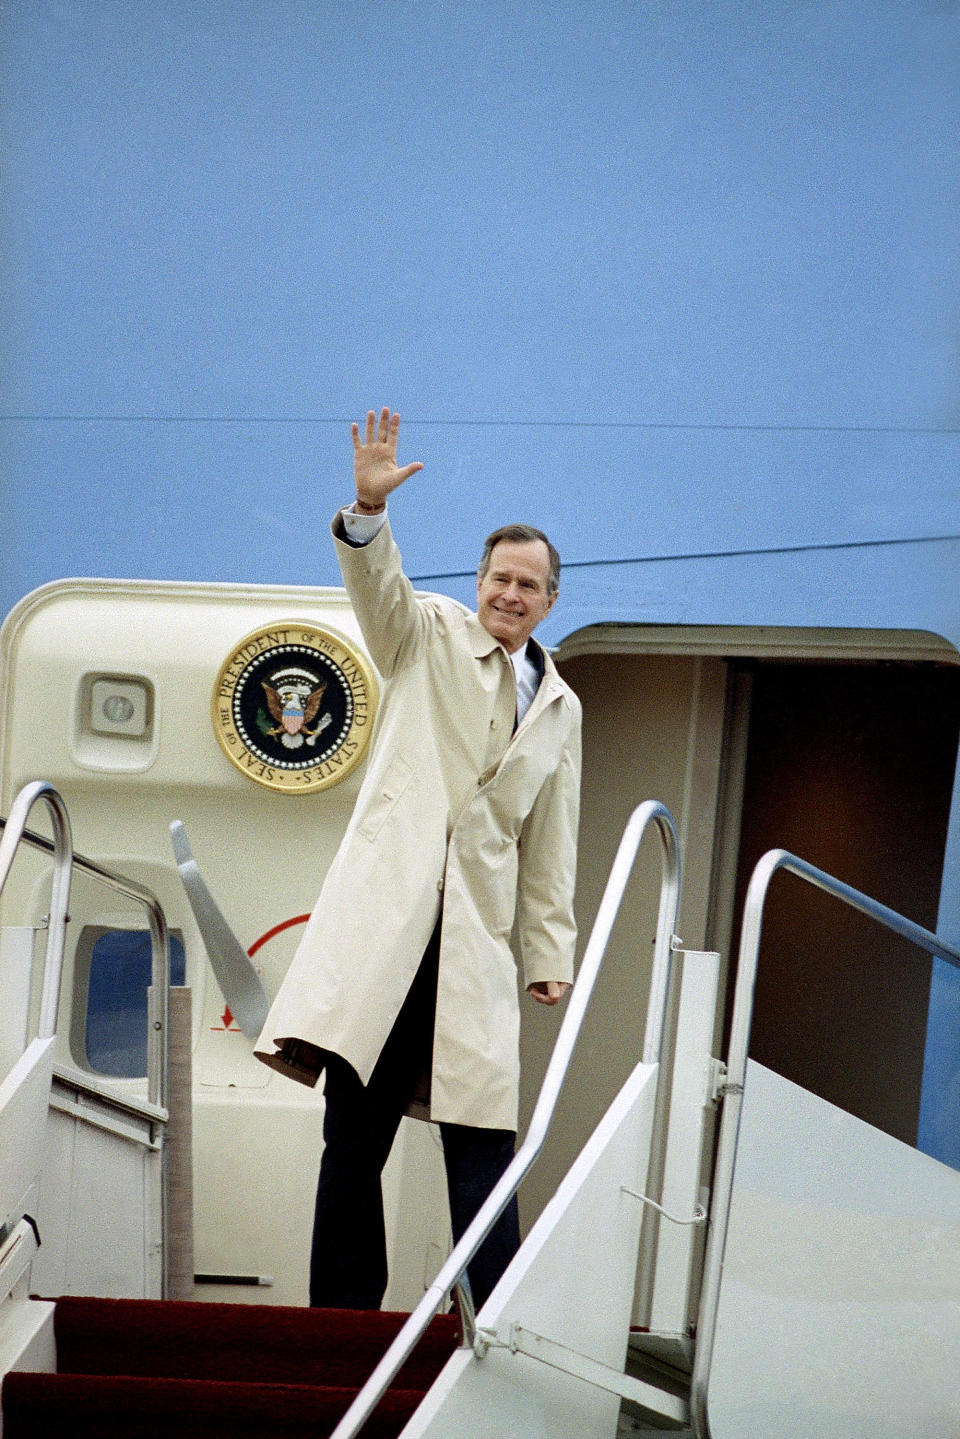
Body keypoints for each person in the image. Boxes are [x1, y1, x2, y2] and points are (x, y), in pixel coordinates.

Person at [255, 407, 581, 1311]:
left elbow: (552, 838)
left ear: (552, 599)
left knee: (484, 1140)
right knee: (354, 1135)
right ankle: (342, 1321)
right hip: (393, 929)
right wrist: (368, 511)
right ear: (477, 582)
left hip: (474, 942)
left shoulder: (561, 706)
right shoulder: (428, 633)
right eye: (500, 577)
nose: (511, 594)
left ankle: (500, 1315)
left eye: (530, 584)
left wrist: (549, 950)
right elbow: (379, 593)